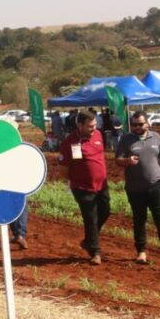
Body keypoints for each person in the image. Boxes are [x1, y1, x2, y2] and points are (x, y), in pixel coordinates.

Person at [115, 112, 160, 264]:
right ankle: (141, 252)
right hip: (135, 188)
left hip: (156, 184)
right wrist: (127, 161)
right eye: (134, 125)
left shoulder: (155, 137)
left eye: (140, 124)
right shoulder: (126, 139)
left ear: (147, 123)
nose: (136, 127)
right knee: (139, 219)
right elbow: (118, 160)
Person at [59, 109, 108, 265]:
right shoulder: (70, 142)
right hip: (82, 188)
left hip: (101, 185)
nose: (93, 129)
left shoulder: (98, 135)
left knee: (106, 211)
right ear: (79, 125)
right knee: (91, 218)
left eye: (94, 125)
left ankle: (88, 240)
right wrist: (76, 180)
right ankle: (95, 252)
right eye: (90, 126)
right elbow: (63, 170)